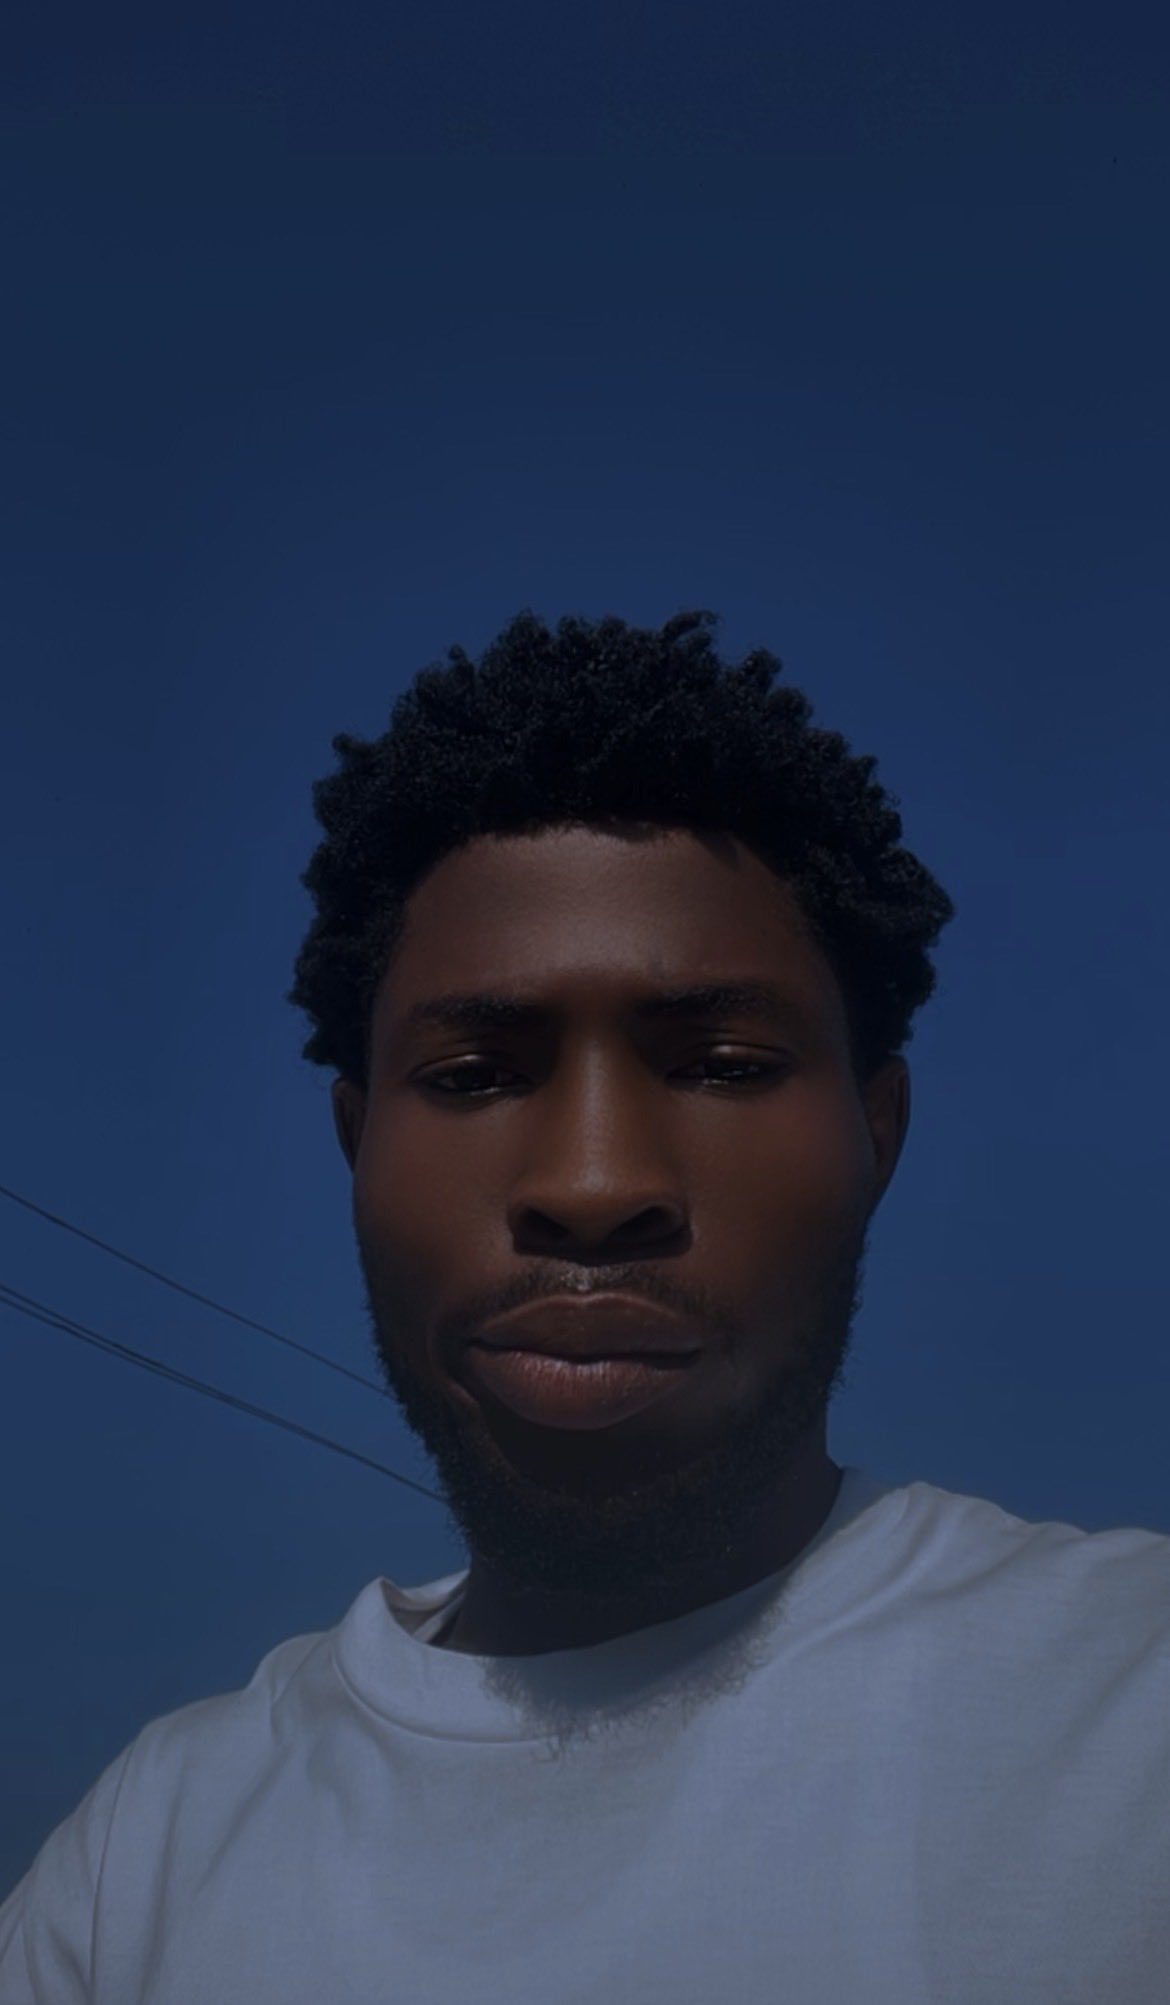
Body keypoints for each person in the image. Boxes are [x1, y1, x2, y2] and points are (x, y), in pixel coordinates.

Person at [2, 608, 1166, 2000]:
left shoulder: (1132, 1704)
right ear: (354, 1145)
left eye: (723, 1064)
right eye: (474, 1076)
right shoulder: (140, 1867)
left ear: (881, 1132)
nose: (595, 1183)